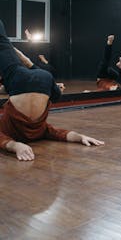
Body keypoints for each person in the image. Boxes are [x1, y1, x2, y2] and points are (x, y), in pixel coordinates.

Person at [0, 20, 104, 161]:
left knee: (53, 93)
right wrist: (14, 145)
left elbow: (60, 133)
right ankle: (14, 52)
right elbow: (60, 133)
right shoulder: (26, 130)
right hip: (25, 80)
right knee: (3, 44)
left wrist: (80, 137)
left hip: (44, 79)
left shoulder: (42, 130)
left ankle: (17, 54)